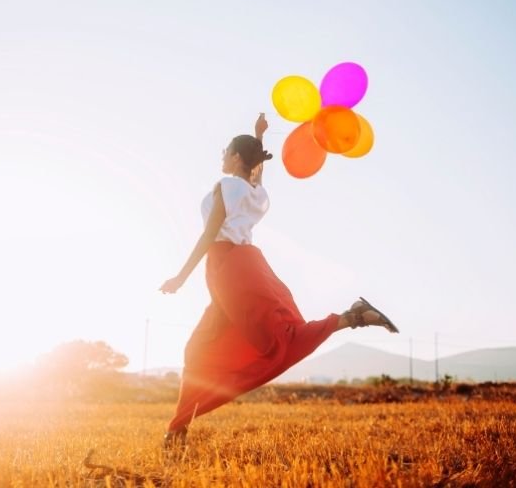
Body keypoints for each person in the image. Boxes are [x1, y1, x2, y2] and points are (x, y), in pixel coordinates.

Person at [159, 113, 398, 447]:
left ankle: (353, 317)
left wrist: (181, 276)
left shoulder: (227, 185)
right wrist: (259, 138)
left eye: (226, 151)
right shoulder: (255, 191)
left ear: (237, 157)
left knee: (269, 344)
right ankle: (177, 430)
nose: (222, 156)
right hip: (244, 267)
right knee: (206, 348)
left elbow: (209, 234)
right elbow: (255, 174)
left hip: (227, 268)